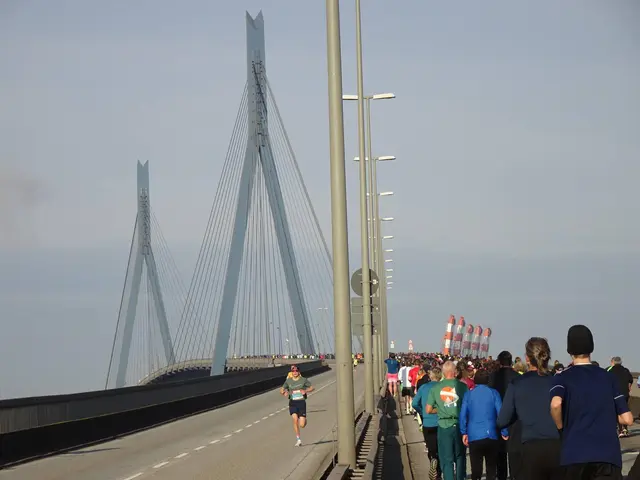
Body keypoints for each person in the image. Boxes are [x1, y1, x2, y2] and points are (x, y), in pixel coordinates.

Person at [549, 325, 634, 479]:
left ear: (569, 350)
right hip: (607, 455)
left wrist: (561, 428)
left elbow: (556, 404)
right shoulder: (608, 377)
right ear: (591, 348)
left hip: (574, 455)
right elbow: (627, 419)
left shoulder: (562, 377)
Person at [497, 337, 562, 480]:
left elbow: (502, 420)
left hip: (530, 447)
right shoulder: (558, 382)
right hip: (557, 446)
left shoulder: (517, 383)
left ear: (527, 358)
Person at [460, 369, 506, 480]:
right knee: (491, 468)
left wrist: (463, 432)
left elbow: (463, 414)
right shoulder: (494, 393)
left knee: (476, 468)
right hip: (491, 434)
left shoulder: (469, 394)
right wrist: (504, 431)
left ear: (475, 380)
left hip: (474, 435)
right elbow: (501, 413)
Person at [427, 360, 468, 480]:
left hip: (444, 425)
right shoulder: (463, 387)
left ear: (443, 373)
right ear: (455, 372)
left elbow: (428, 409)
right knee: (460, 456)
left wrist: (440, 410)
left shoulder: (436, 388)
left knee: (446, 458)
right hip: (460, 425)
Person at [489, 350, 521, 480]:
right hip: (515, 418)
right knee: (514, 453)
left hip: (498, 416)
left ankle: (501, 476)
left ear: (499, 362)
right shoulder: (518, 377)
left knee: (500, 453)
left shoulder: (493, 377)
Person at [413, 366, 443, 480]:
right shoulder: (443, 387)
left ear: (430, 376)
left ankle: (432, 459)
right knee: (441, 448)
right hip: (441, 422)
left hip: (428, 422)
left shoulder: (423, 387)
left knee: (431, 448)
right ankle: (439, 472)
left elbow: (414, 403)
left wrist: (422, 413)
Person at [280, 365, 314, 446]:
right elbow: (281, 389)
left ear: (299, 372)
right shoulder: (288, 381)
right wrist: (284, 393)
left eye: (296, 371)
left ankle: (304, 420)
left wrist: (305, 391)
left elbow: (312, 387)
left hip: (301, 402)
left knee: (302, 425)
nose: (295, 372)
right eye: (293, 371)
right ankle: (298, 439)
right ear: (291, 372)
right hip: (293, 403)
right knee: (295, 420)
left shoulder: (303, 380)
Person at [606, 356, 633, 438]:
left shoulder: (609, 370)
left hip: (614, 394)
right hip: (625, 393)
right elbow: (630, 381)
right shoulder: (626, 370)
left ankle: (620, 430)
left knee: (617, 412)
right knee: (625, 410)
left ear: (612, 362)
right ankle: (625, 429)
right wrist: (628, 389)